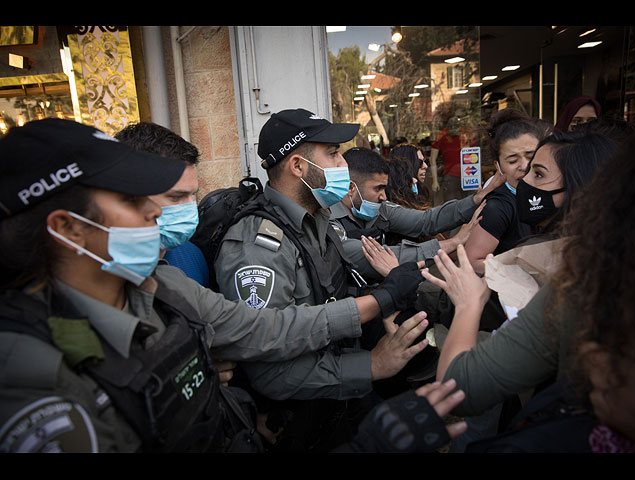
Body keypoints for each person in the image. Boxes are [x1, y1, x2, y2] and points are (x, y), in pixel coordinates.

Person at [0, 118, 419, 453]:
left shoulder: (163, 285)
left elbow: (261, 329)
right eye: (131, 199)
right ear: (70, 230)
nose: (154, 211)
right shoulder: (31, 382)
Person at [212, 108, 429, 452]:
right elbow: (270, 373)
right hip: (304, 424)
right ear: (298, 166)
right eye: (332, 153)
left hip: (339, 405)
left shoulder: (317, 220)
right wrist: (371, 365)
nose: (343, 163)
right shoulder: (258, 246)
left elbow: (341, 282)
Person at [426, 131, 635, 452]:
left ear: (581, 190)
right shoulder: (504, 211)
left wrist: (469, 303)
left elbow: (459, 385)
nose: (525, 179)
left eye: (538, 172)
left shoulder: (585, 280)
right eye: (519, 165)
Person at [330, 147, 490, 276]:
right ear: (351, 188)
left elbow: (426, 220)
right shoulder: (329, 221)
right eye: (378, 188)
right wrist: (453, 242)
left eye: (384, 188)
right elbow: (384, 256)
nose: (383, 196)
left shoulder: (381, 209)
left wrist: (474, 201)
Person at [114, 122, 208, 287]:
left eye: (192, 195)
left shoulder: (192, 255)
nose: (190, 207)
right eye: (176, 197)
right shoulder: (104, 272)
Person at [464, 109, 547, 274]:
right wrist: (520, 271)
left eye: (530, 156)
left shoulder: (554, 193)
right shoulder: (498, 207)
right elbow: (472, 261)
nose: (524, 166)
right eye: (513, 160)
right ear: (498, 166)